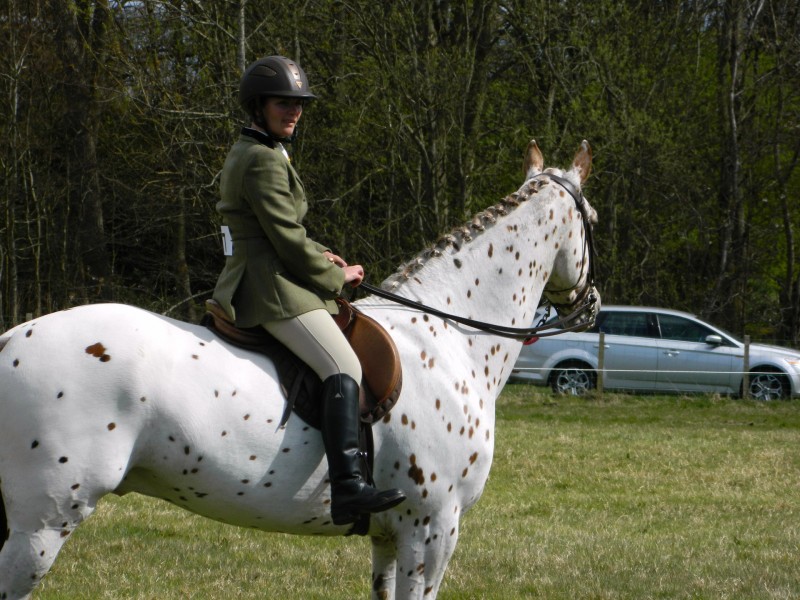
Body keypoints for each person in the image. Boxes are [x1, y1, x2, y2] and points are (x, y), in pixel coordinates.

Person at [212, 56, 405, 526]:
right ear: (258, 106)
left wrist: (326, 255)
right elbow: (286, 243)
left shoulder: (262, 149)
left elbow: (287, 230)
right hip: (267, 286)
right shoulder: (261, 159)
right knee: (343, 364)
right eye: (284, 104)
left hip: (267, 269)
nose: (294, 112)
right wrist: (336, 278)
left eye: (298, 104)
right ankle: (348, 488)